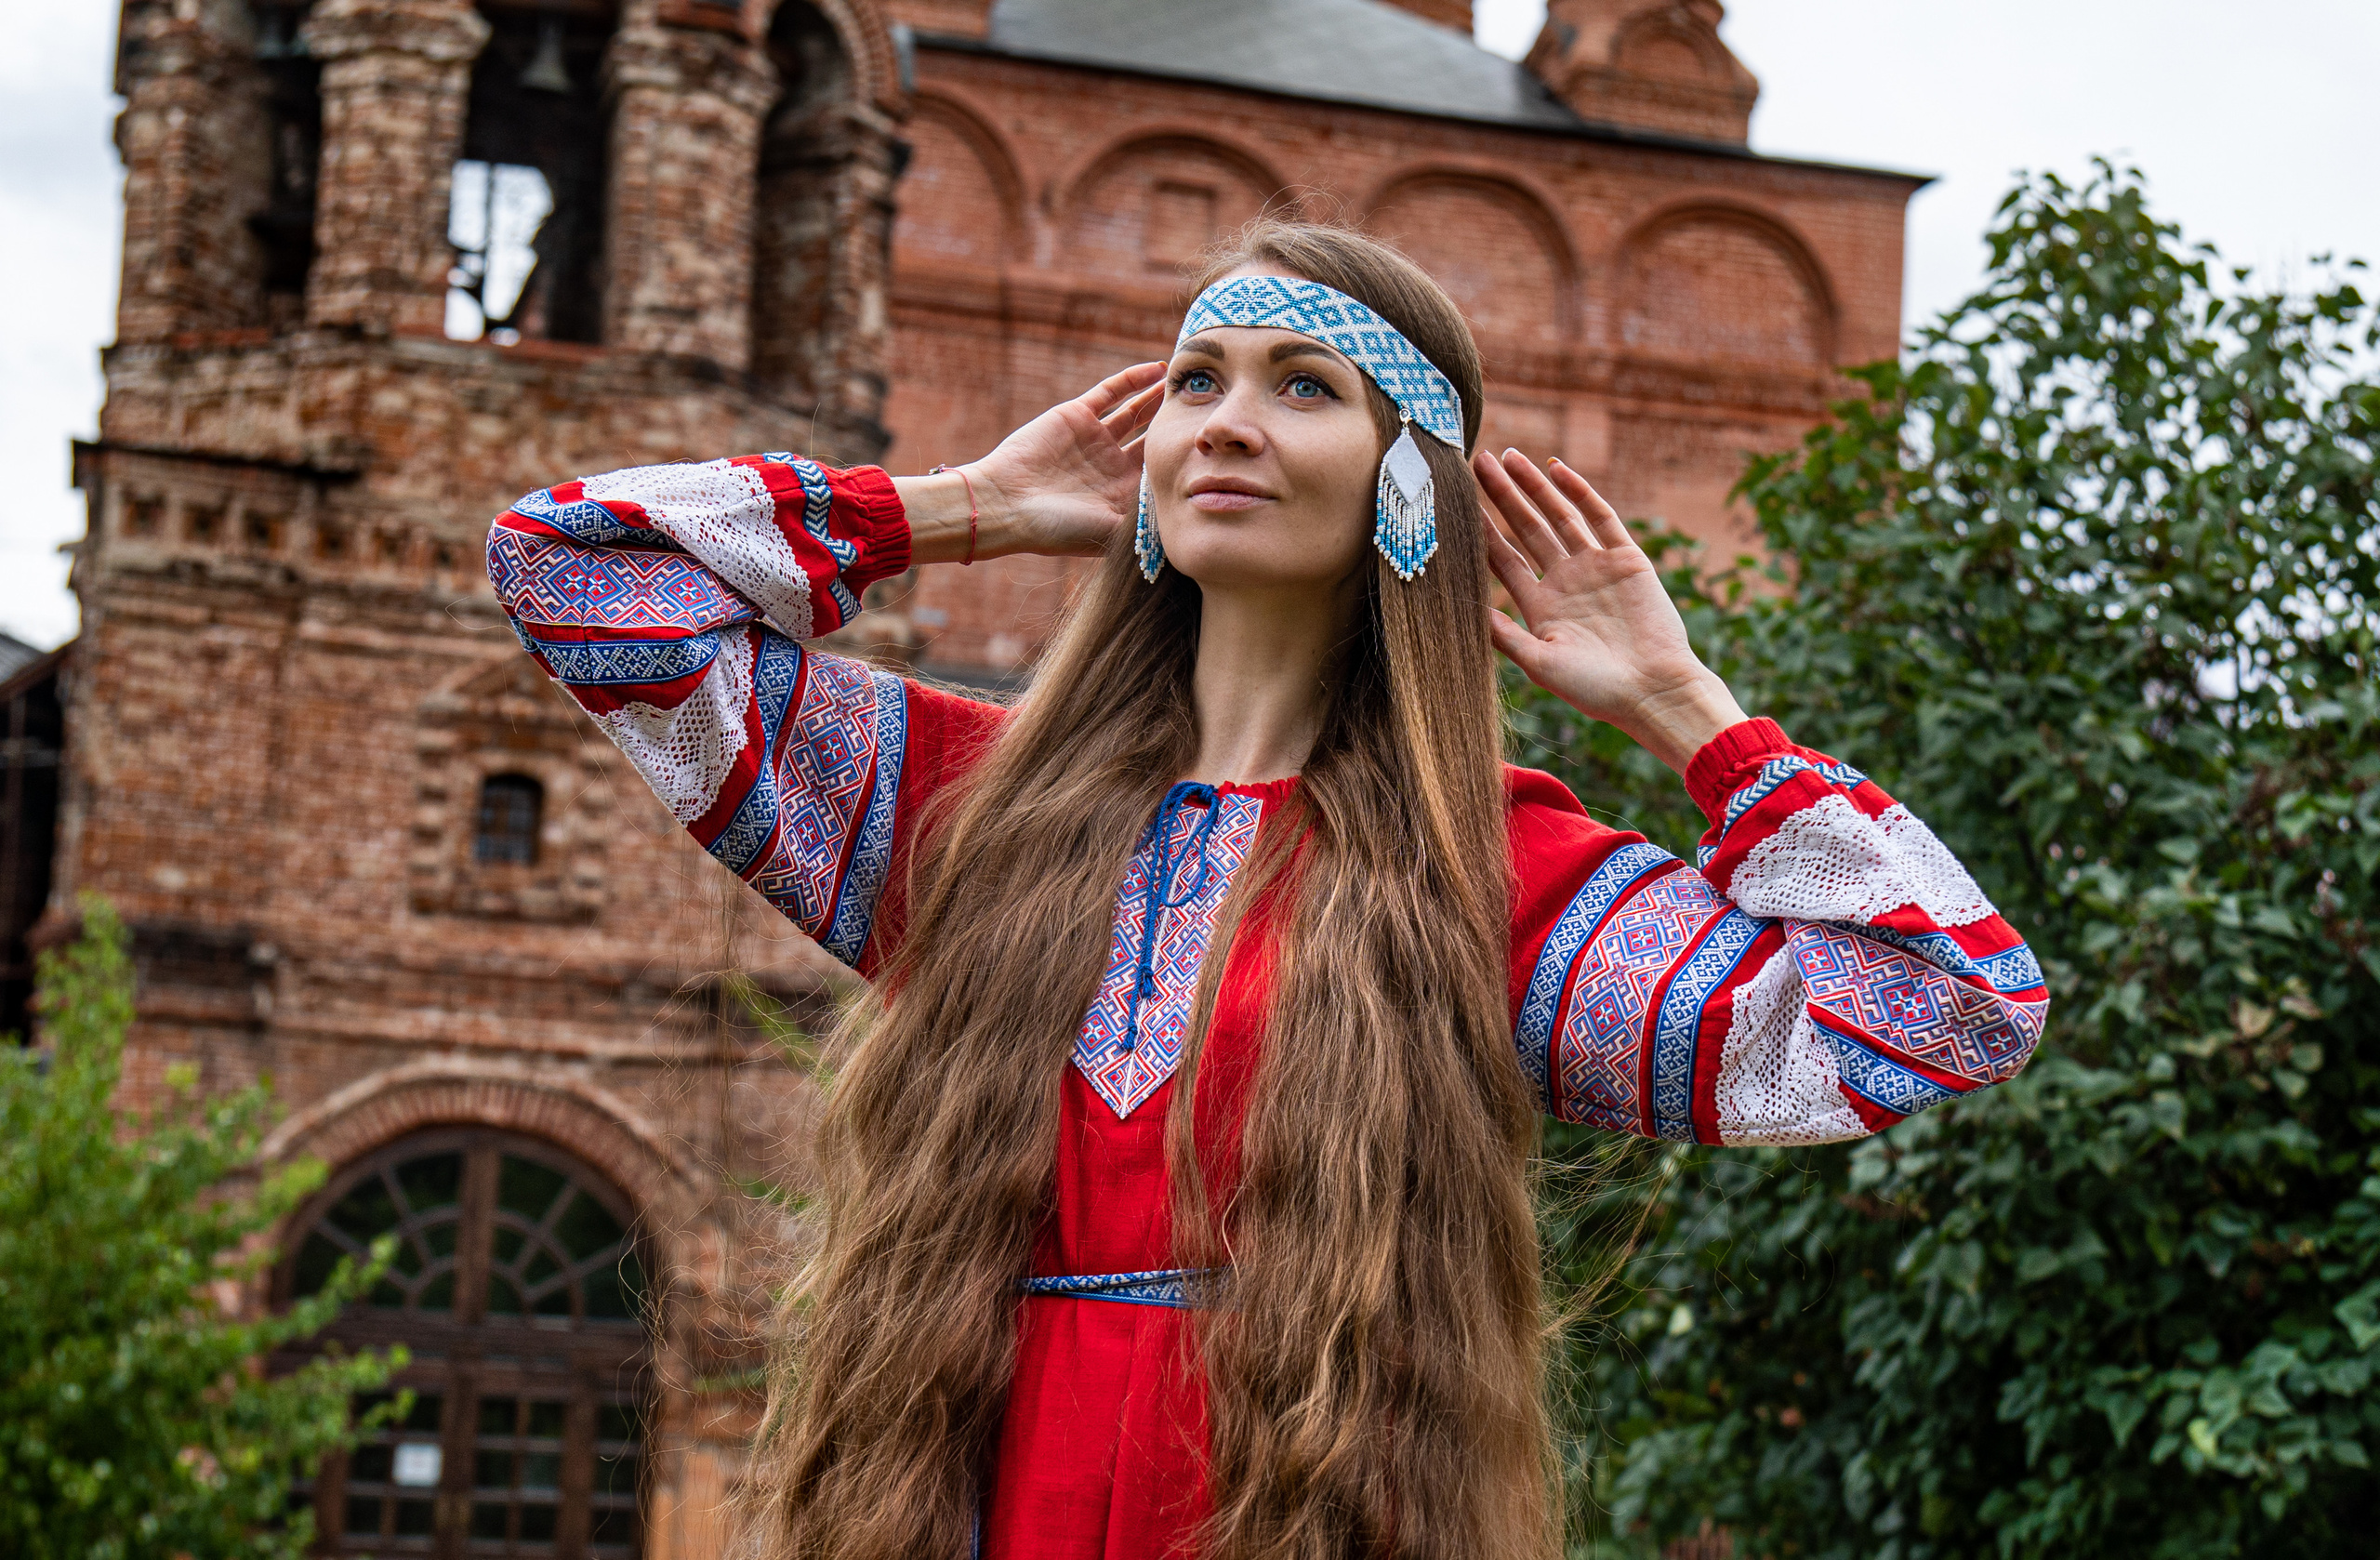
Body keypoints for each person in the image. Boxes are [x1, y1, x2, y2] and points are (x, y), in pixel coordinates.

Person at [485, 220, 2047, 1560]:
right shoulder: (959, 802)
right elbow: (572, 567)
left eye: (1304, 388)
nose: (1225, 422)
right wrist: (969, 505)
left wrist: (1680, 707)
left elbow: (1946, 1004)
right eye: (1194, 383)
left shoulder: (1494, 874)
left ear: (1406, 485)